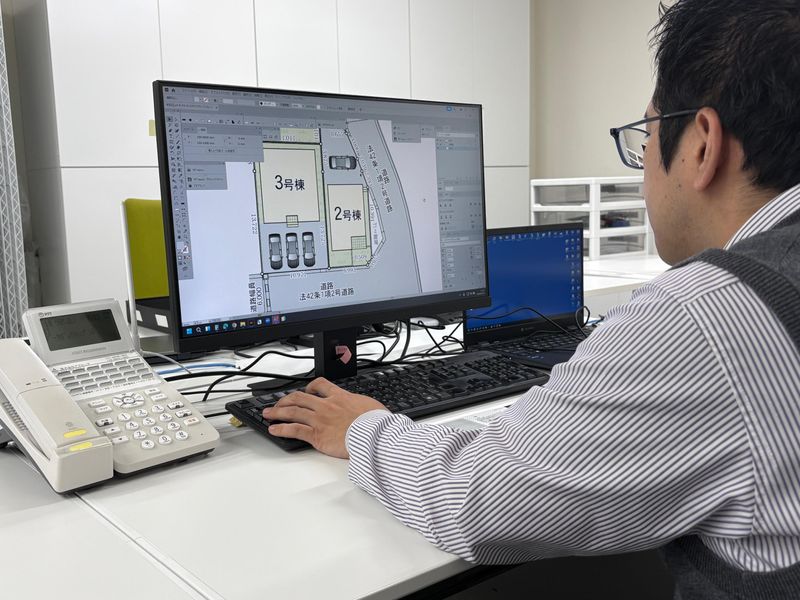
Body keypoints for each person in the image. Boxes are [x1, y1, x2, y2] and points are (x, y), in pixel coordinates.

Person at [263, 0, 800, 597]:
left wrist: (363, 428)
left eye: (645, 136)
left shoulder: (705, 314)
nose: (643, 164)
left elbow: (477, 501)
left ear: (701, 144)